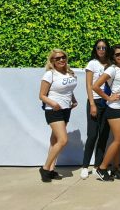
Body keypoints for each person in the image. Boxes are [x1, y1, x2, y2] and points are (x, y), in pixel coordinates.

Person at [92, 44, 120, 181]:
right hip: (115, 108)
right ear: (113, 57)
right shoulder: (112, 69)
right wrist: (108, 98)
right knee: (119, 139)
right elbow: (95, 86)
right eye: (118, 54)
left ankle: (115, 168)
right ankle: (102, 168)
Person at [38, 49, 78, 182]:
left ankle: (51, 170)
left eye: (63, 57)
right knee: (63, 140)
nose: (61, 60)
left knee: (55, 140)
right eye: (57, 58)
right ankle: (44, 168)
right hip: (53, 110)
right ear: (52, 61)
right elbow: (42, 95)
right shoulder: (50, 74)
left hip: (66, 109)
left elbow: (68, 90)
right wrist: (53, 103)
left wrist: (73, 99)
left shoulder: (69, 73)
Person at [80, 39, 111, 180]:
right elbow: (89, 85)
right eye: (99, 47)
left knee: (104, 135)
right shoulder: (92, 63)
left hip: (108, 103)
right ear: (95, 49)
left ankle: (98, 165)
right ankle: (85, 166)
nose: (101, 50)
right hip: (95, 102)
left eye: (104, 47)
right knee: (92, 135)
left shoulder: (111, 64)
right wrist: (92, 103)